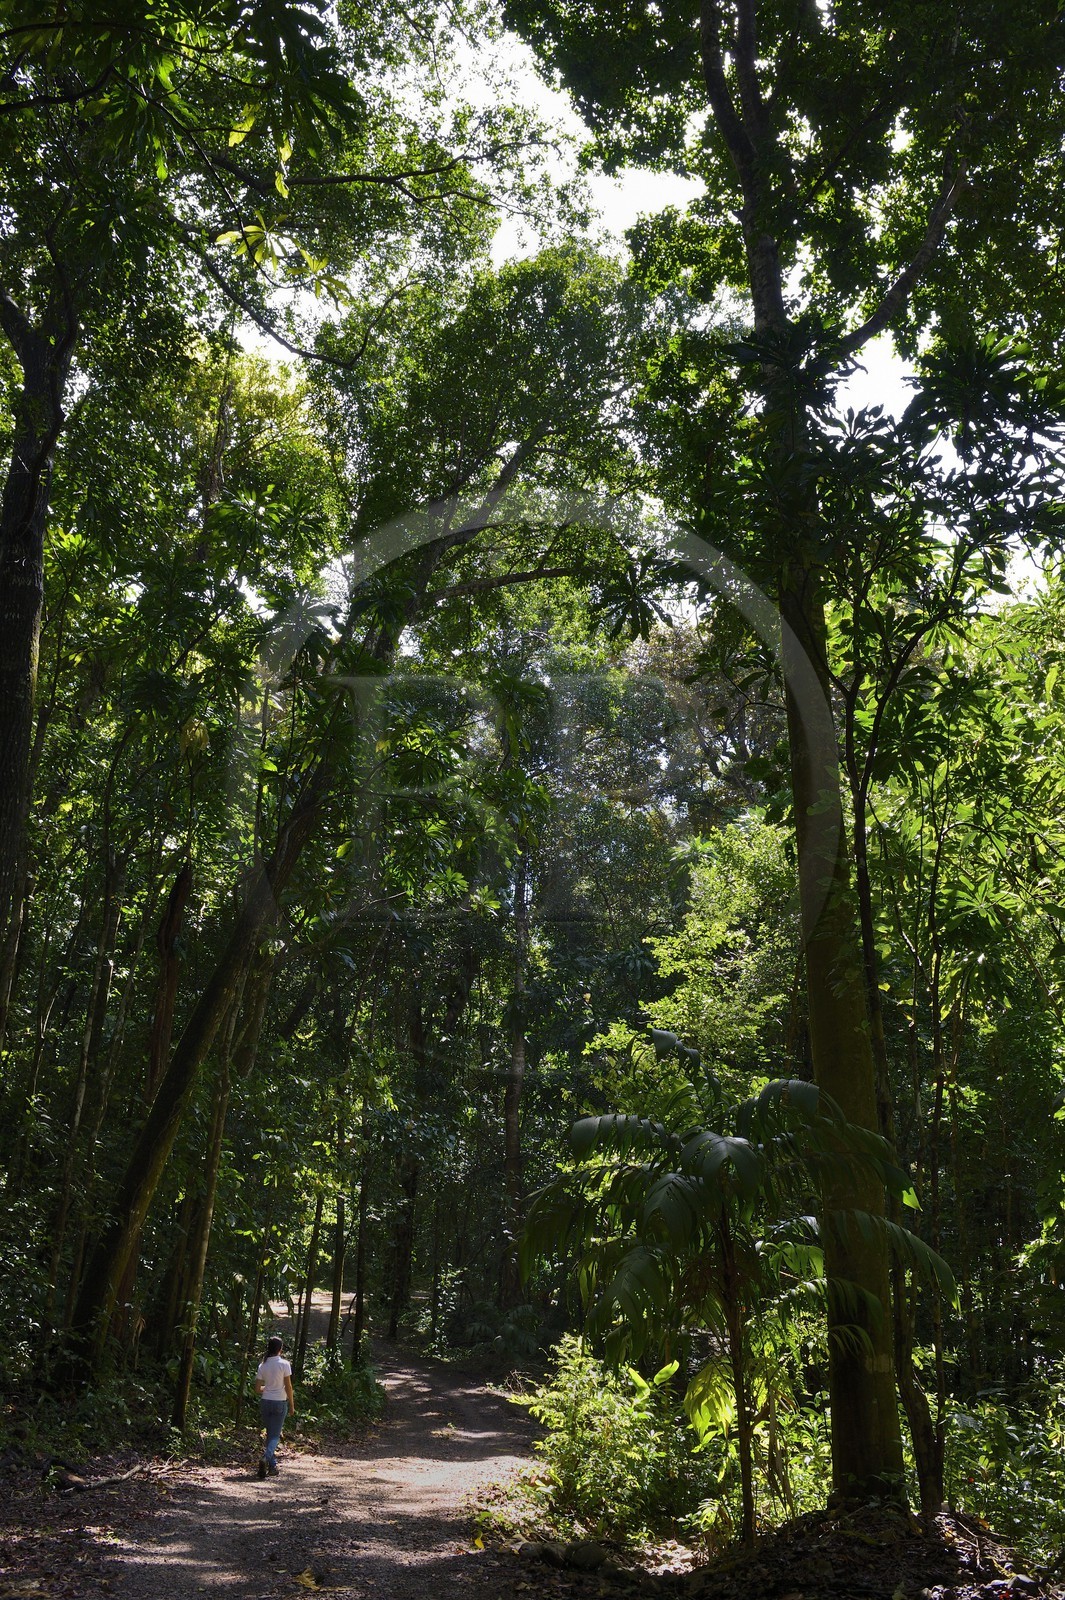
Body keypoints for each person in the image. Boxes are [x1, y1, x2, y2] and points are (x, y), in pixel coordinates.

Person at [254, 1334, 295, 1478]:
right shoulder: (284, 1364)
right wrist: (291, 1405)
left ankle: (272, 1467)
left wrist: (268, 1387)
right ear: (280, 1349)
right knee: (275, 1436)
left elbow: (257, 1389)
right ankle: (265, 1457)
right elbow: (288, 1386)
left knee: (270, 1435)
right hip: (279, 1403)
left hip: (265, 1402)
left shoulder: (262, 1365)